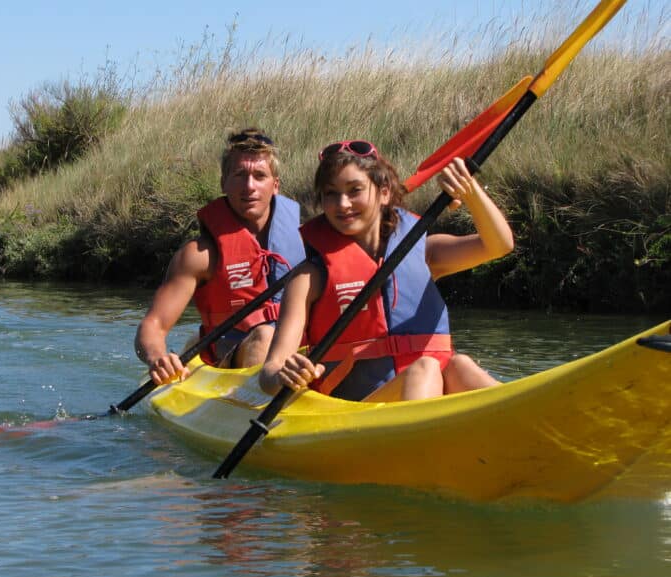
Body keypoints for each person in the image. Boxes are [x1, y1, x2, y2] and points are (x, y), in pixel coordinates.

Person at [259, 139, 514, 402]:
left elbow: (499, 246)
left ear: (384, 193)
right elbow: (268, 375)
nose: (342, 203)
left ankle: (521, 419)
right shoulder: (308, 277)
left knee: (459, 365)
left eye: (354, 190)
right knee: (425, 369)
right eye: (331, 193)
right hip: (355, 412)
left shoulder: (423, 253)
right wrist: (284, 375)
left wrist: (470, 192)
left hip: (422, 400)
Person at [135, 129, 305, 386]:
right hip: (231, 353)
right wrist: (157, 358)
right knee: (265, 336)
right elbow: (154, 325)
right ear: (223, 182)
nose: (250, 186)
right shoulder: (200, 255)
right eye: (239, 175)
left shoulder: (307, 243)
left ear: (276, 185)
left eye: (260, 176)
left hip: (295, 351)